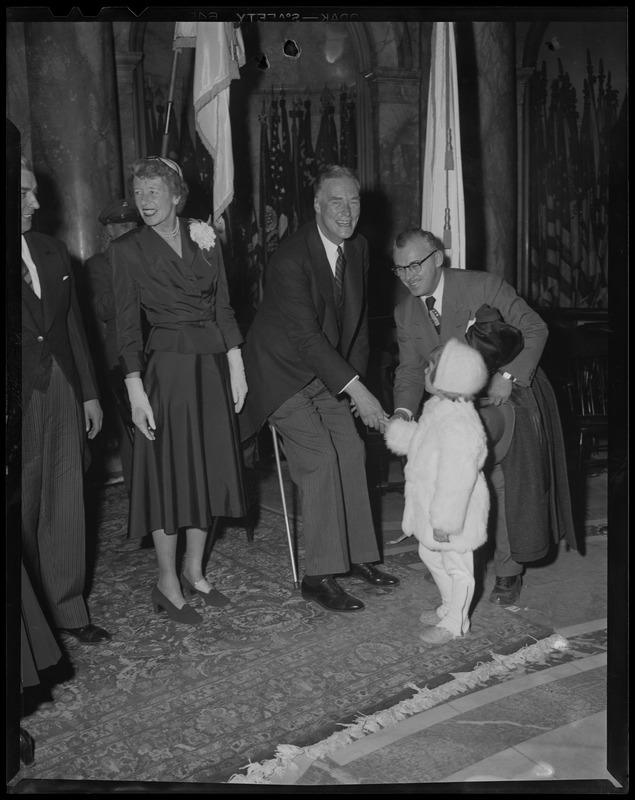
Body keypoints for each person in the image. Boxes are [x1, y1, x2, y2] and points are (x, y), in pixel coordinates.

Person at [240, 164, 399, 613]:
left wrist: (357, 386)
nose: (347, 212)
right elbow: (306, 338)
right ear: (316, 205)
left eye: (354, 201)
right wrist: (359, 393)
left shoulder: (360, 248)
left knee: (351, 449)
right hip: (280, 374)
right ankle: (318, 576)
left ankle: (360, 558)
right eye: (336, 201)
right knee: (321, 459)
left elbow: (359, 324)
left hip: (326, 372)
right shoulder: (290, 258)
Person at [390, 228, 575, 607]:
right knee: (448, 475)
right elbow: (410, 370)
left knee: (498, 478)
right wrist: (403, 413)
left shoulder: (483, 286)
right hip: (454, 402)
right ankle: (457, 557)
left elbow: (535, 328)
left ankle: (508, 571)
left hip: (507, 390)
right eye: (399, 269)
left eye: (414, 265)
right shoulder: (405, 311)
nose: (408, 275)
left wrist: (508, 376)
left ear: (438, 258)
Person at [110, 156, 248, 627]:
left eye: (153, 191)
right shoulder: (127, 250)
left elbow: (223, 305)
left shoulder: (206, 236)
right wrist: (134, 388)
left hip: (210, 365)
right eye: (138, 191)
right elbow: (128, 329)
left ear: (175, 195)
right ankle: (167, 581)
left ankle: (195, 569)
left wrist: (236, 363)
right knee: (170, 475)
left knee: (204, 471)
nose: (143, 201)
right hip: (165, 372)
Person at [20, 156, 111, 645]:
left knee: (65, 496)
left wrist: (90, 395)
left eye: (34, 191)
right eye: (23, 193)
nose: (35, 202)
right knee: (23, 506)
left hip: (62, 389)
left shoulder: (52, 251)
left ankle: (69, 609)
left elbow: (75, 330)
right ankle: (30, 625)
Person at [385, 339, 490, 644]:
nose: (425, 370)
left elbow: (458, 476)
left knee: (459, 567)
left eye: (431, 366)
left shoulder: (459, 422)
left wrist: (446, 522)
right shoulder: (438, 407)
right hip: (429, 502)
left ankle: (457, 623)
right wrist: (396, 430)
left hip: (455, 508)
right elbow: (423, 442)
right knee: (429, 553)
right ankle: (448, 607)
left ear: (450, 375)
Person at [84, 199, 141, 494]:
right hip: (121, 358)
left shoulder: (150, 258)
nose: (129, 232)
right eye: (121, 227)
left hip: (158, 351)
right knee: (132, 435)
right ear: (109, 231)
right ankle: (141, 502)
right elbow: (101, 306)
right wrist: (134, 289)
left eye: (133, 226)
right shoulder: (98, 264)